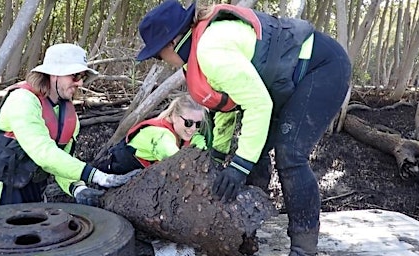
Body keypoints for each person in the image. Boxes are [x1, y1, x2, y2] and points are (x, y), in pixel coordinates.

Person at [136, 1, 351, 256]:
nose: (161, 61)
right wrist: (218, 154)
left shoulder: (210, 51)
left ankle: (304, 248)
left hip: (322, 68)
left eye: (158, 55)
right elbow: (227, 107)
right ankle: (251, 225)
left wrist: (238, 167)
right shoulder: (199, 53)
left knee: (290, 154)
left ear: (170, 43)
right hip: (286, 84)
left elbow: (258, 104)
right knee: (254, 152)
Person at [0, 43, 138, 209]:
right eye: (75, 76)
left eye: (82, 77)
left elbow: (60, 160)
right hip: (1, 198)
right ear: (54, 74)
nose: (80, 83)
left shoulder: (68, 115)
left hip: (36, 196)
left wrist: (78, 189)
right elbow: (43, 153)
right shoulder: (22, 101)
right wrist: (98, 176)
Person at [96, 94, 207, 175]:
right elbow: (180, 163)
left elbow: (197, 138)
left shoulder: (176, 128)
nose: (192, 129)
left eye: (198, 124)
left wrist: (200, 144)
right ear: (174, 116)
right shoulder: (162, 137)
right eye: (188, 123)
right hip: (111, 173)